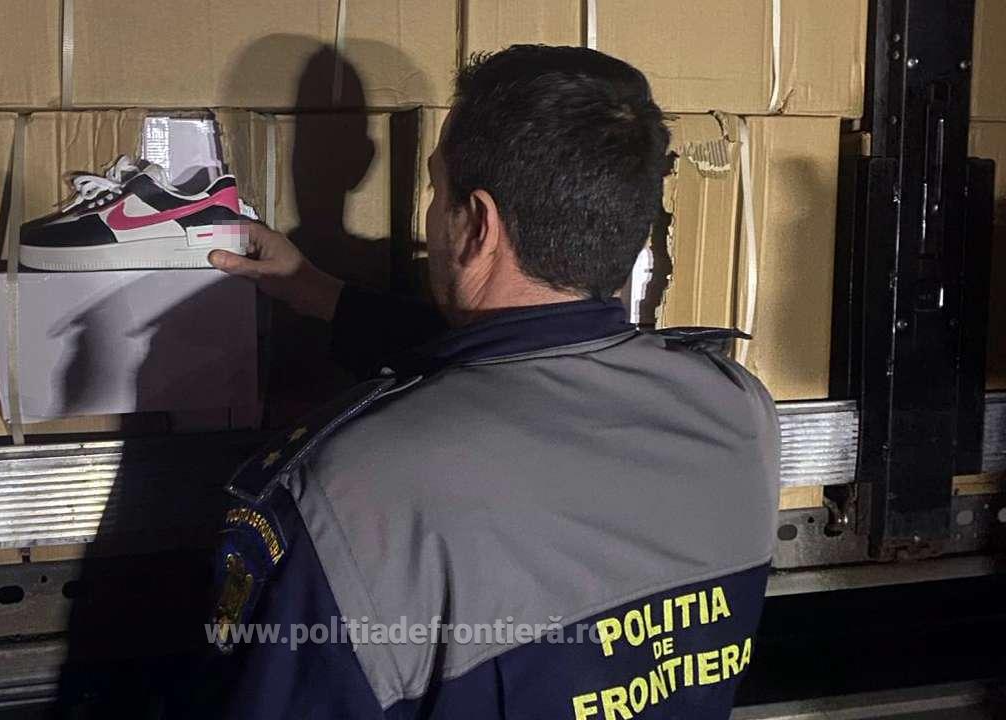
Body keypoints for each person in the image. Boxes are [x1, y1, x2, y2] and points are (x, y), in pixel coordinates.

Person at [201, 45, 780, 719]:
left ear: (477, 224)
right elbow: (529, 359)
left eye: (435, 190)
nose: (430, 212)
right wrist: (316, 291)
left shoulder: (360, 494)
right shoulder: (740, 411)